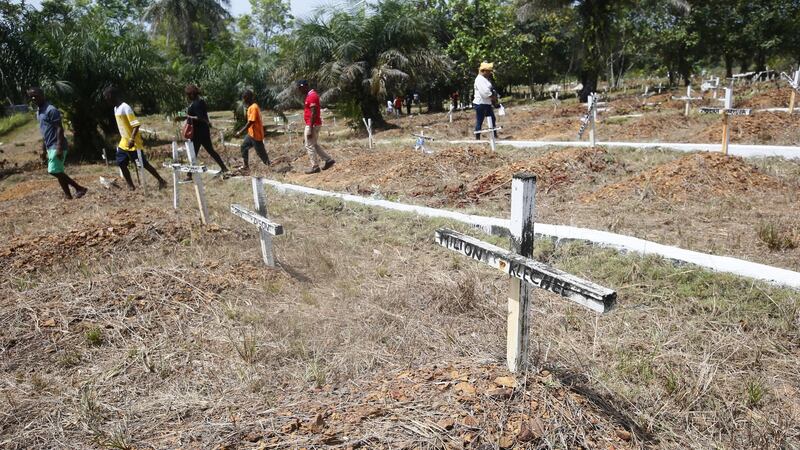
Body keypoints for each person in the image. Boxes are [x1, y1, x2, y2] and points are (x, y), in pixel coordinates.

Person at [27, 87, 87, 200]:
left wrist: (59, 147)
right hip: (50, 146)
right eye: (31, 97)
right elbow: (44, 132)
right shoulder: (39, 112)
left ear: (42, 94)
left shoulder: (51, 109)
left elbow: (59, 128)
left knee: (53, 170)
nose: (34, 98)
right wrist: (44, 149)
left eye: (36, 95)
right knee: (59, 171)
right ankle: (68, 195)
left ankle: (79, 188)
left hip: (57, 144)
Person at [103, 86, 167, 190]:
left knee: (144, 164)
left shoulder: (125, 107)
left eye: (107, 98)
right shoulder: (116, 109)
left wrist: (132, 139)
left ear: (111, 96)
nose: (107, 101)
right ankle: (130, 185)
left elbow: (136, 125)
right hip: (124, 141)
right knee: (121, 162)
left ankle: (161, 180)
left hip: (133, 142)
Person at [174, 84, 228, 178]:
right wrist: (183, 115)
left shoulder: (198, 103)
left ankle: (189, 175)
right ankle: (223, 168)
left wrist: (186, 117)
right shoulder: (197, 102)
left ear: (192, 94)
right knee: (204, 151)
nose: (187, 97)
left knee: (195, 152)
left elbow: (200, 117)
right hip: (200, 131)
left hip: (200, 132)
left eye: (188, 95)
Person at [297, 80, 335, 174]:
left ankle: (315, 167)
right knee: (313, 144)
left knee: (309, 145)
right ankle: (328, 160)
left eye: (300, 88)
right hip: (313, 124)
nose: (299, 90)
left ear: (305, 86)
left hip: (312, 124)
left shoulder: (312, 96)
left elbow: (313, 113)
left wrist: (309, 128)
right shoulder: (310, 96)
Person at [235, 89, 270, 172]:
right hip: (251, 134)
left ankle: (269, 166)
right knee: (244, 147)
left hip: (256, 135)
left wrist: (240, 132)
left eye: (245, 98)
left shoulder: (254, 107)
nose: (244, 100)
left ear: (249, 97)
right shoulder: (250, 107)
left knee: (261, 153)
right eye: (243, 98)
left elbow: (251, 122)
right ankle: (246, 166)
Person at [473, 62, 498, 139]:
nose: (490, 73)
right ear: (483, 71)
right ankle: (478, 138)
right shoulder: (479, 80)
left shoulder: (485, 79)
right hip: (481, 104)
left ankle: (494, 136)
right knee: (480, 121)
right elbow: (485, 92)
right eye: (488, 71)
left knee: (492, 119)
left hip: (486, 103)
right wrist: (493, 97)